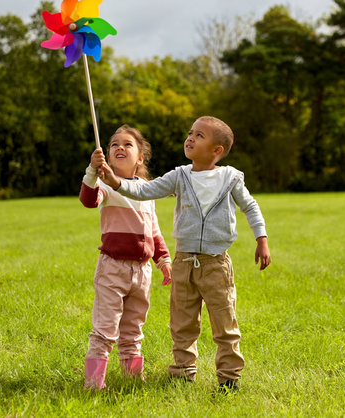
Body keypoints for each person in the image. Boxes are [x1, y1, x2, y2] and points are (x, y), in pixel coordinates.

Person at [99, 116, 271, 393]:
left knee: (225, 324)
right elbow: (146, 189)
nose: (190, 138)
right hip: (183, 263)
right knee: (181, 323)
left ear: (217, 150)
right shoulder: (179, 176)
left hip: (216, 264)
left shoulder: (230, 178)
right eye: (190, 133)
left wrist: (261, 238)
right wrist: (117, 183)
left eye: (199, 135)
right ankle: (182, 372)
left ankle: (229, 378)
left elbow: (250, 207)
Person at [79, 125, 173, 391]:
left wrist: (163, 259)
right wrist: (91, 171)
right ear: (107, 156)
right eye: (114, 145)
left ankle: (133, 379)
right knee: (105, 330)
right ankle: (94, 383)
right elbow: (88, 200)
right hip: (113, 268)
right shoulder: (106, 186)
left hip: (142, 272)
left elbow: (153, 229)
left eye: (127, 144)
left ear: (140, 157)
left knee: (133, 331)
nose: (120, 147)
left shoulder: (146, 189)